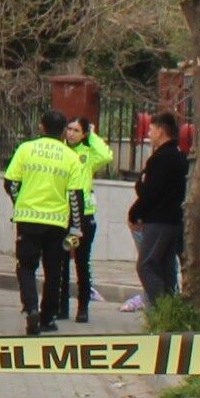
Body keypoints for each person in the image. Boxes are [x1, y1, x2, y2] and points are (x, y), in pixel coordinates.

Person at [2, 107, 88, 336]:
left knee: (26, 267)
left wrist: (19, 201)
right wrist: (77, 227)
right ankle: (47, 317)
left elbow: (10, 182)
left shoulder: (26, 149)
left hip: (27, 219)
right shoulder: (72, 158)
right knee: (54, 271)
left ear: (41, 126)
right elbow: (75, 195)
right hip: (57, 223)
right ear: (63, 132)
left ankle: (30, 309)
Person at [127, 114, 191, 315]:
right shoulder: (177, 156)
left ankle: (162, 310)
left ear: (161, 131)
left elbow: (151, 191)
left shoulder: (164, 157)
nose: (149, 134)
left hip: (160, 220)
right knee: (165, 267)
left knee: (146, 265)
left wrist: (134, 213)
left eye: (151, 130)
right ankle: (171, 310)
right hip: (172, 220)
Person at [66, 114, 118, 321]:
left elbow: (106, 156)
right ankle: (60, 307)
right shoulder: (60, 151)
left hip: (84, 216)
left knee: (81, 262)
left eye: (76, 130)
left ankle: (83, 307)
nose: (71, 133)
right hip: (62, 214)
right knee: (60, 261)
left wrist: (93, 134)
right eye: (69, 129)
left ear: (84, 134)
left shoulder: (87, 154)